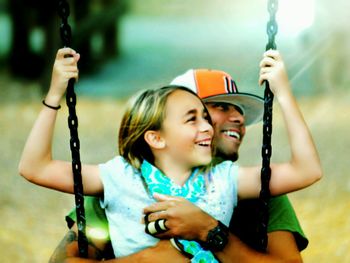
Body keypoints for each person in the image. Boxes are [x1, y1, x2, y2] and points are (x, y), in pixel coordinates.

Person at [19, 48, 322, 262]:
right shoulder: (121, 179)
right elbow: (36, 169)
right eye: (217, 108)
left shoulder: (232, 182)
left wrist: (208, 230)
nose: (239, 118)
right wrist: (55, 95)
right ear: (157, 134)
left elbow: (307, 170)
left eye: (239, 110)